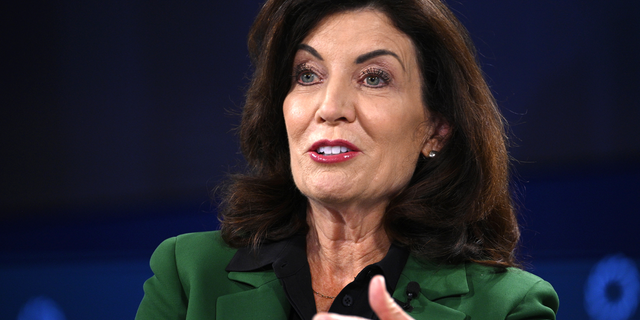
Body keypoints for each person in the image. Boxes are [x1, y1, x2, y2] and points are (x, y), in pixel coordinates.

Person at [135, 0, 559, 319]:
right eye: (307, 75)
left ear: (435, 129)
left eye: (373, 78)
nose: (330, 106)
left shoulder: (507, 306)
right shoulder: (190, 274)